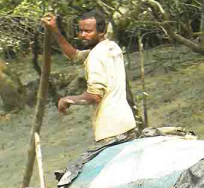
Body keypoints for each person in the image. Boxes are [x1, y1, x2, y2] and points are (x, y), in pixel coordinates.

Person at [41, 11, 137, 148]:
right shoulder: (111, 47)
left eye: (88, 31)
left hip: (111, 130)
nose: (82, 35)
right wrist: (55, 30)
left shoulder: (96, 56)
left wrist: (67, 100)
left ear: (101, 31)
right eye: (80, 31)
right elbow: (75, 55)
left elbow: (95, 96)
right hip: (127, 123)